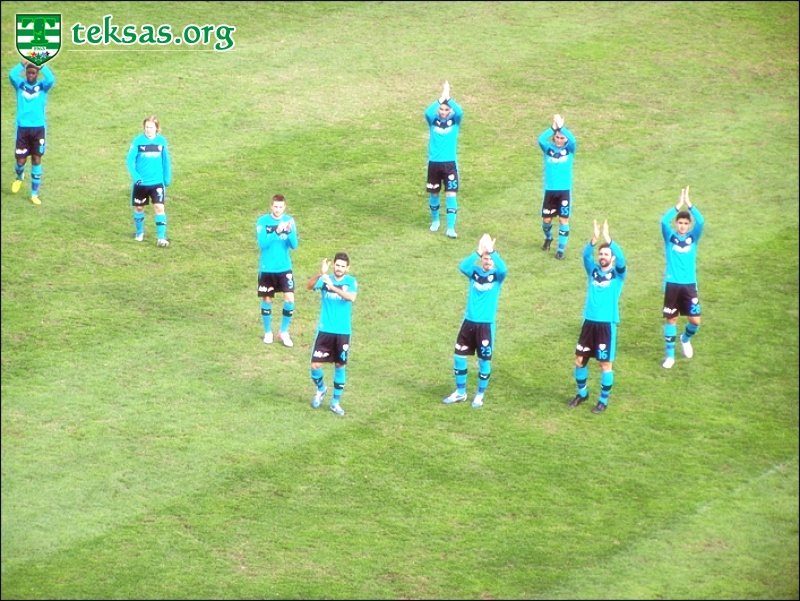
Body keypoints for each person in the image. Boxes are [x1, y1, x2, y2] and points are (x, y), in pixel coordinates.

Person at [568, 220, 627, 414]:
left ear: (612, 258)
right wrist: (594, 240)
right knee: (579, 360)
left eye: (606, 254)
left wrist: (609, 240)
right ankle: (582, 394)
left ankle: (603, 400)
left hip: (606, 325)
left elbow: (623, 261)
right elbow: (585, 256)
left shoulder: (617, 275)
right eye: (601, 254)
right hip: (589, 323)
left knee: (604, 364)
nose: (602, 257)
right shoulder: (593, 271)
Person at [443, 234, 508, 408]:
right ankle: (460, 393)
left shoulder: (497, 276)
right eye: (485, 259)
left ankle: (479, 395)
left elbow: (504, 270)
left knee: (483, 361)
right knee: (459, 357)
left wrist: (492, 251)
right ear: (481, 260)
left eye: (490, 259)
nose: (488, 262)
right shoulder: (475, 273)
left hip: (485, 326)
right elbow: (462, 266)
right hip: (469, 322)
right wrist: (479, 251)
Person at [307, 253, 358, 416]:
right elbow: (309, 286)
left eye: (343, 266)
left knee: (340, 365)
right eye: (337, 265)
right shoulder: (325, 279)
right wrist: (321, 274)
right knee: (315, 365)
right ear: (334, 265)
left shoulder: (350, 281)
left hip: (342, 332)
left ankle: (335, 402)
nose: (339, 268)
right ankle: (321, 389)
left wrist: (333, 287)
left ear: (347, 268)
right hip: (325, 330)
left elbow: (351, 297)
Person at [660, 186, 704, 369]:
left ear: (689, 225)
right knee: (672, 319)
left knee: (695, 320)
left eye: (686, 223)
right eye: (680, 223)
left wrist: (690, 204)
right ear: (676, 224)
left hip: (689, 285)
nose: (683, 226)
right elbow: (663, 221)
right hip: (672, 284)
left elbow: (701, 222)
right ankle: (670, 356)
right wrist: (678, 205)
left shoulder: (693, 237)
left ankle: (685, 338)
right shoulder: (670, 237)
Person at [8, 61, 55, 205]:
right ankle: (19, 177)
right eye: (29, 72)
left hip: (38, 129)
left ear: (37, 74)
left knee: (36, 159)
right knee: (20, 161)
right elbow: (11, 75)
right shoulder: (20, 85)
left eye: (33, 73)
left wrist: (42, 66)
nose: (30, 75)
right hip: (23, 128)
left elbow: (51, 79)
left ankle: (34, 194)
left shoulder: (42, 86)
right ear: (26, 73)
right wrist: (22, 64)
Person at [256, 194, 299, 346]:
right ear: (271, 206)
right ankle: (268, 332)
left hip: (284, 268)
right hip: (267, 268)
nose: (278, 209)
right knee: (267, 299)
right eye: (275, 206)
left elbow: (294, 245)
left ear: (284, 207)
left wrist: (288, 232)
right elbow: (262, 244)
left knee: (290, 299)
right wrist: (276, 232)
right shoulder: (262, 221)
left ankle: (283, 331)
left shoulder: (289, 221)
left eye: (280, 207)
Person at [424, 80, 464, 238]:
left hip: (449, 164)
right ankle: (435, 221)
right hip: (434, 163)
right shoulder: (433, 120)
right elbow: (428, 112)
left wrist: (449, 97)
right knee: (434, 194)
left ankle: (450, 228)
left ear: (450, 111)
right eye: (441, 108)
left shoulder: (455, 121)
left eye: (446, 109)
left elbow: (460, 112)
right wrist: (441, 98)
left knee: (451, 194)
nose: (443, 111)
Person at [126, 115, 172, 246]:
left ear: (156, 128)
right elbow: (129, 161)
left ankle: (161, 238)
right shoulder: (137, 141)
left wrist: (167, 178)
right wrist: (136, 177)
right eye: (146, 127)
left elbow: (166, 161)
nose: (148, 130)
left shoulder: (161, 141)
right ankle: (139, 232)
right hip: (141, 184)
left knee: (159, 207)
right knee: (139, 208)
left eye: (151, 127)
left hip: (157, 182)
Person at [537, 113, 577, 259]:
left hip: (564, 191)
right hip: (550, 191)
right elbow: (540, 139)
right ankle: (548, 238)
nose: (559, 140)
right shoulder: (548, 148)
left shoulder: (570, 149)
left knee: (563, 220)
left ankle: (560, 250)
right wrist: (553, 128)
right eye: (557, 137)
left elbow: (573, 140)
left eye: (562, 138)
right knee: (546, 221)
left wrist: (562, 127)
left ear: (565, 139)